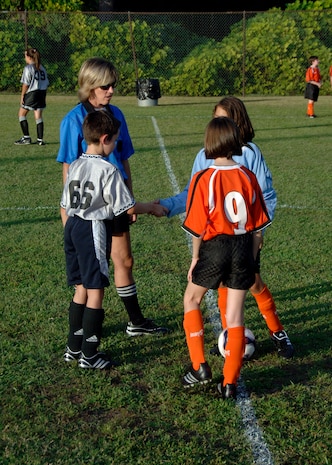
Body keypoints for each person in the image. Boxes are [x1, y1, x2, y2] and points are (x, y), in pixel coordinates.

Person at [159, 96, 294, 359]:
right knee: (224, 285)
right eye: (217, 119)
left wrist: (259, 232)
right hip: (216, 240)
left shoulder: (250, 153)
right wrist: (165, 206)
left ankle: (277, 331)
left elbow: (265, 197)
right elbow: (192, 194)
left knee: (254, 283)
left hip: (245, 237)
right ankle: (229, 336)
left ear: (238, 124)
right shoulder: (204, 155)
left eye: (226, 119)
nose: (221, 124)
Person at [57, 57, 169, 337]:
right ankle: (82, 332)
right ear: (90, 86)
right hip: (89, 212)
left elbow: (123, 159)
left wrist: (129, 198)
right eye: (105, 86)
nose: (111, 91)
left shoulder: (116, 114)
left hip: (116, 202)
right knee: (87, 278)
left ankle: (135, 321)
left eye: (113, 86)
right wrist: (68, 218)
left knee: (124, 260)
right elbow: (69, 171)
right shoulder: (72, 120)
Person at [61, 111, 170, 369]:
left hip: (73, 226)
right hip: (92, 228)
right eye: (115, 142)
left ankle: (72, 348)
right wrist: (152, 207)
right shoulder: (108, 170)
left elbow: (66, 202)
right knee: (96, 289)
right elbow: (127, 208)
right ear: (105, 138)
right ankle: (90, 355)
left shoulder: (75, 165)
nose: (116, 147)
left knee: (80, 288)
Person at [181, 116, 271, 399]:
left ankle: (199, 368)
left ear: (209, 143)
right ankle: (229, 383)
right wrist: (252, 259)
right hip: (243, 246)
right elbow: (258, 228)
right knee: (234, 316)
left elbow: (197, 226)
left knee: (191, 299)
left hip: (216, 247)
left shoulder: (203, 178)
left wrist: (196, 258)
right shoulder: (248, 176)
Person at [14, 47, 49, 146]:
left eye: (25, 55)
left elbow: (26, 84)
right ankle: (40, 140)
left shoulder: (28, 68)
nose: (24, 57)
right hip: (41, 93)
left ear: (29, 57)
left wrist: (22, 96)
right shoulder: (42, 68)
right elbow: (46, 83)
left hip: (32, 93)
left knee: (21, 114)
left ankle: (26, 138)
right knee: (38, 116)